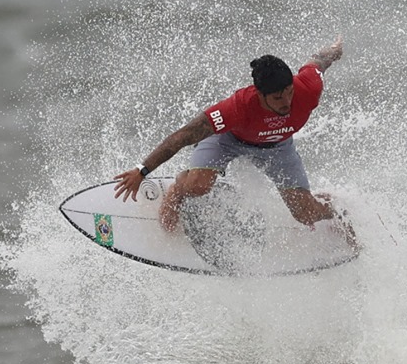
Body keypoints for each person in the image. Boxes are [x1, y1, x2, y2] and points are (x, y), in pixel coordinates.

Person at [111, 38, 346, 237]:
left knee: (305, 214)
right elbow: (184, 136)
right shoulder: (237, 108)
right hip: (228, 141)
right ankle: (178, 189)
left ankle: (335, 210)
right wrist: (142, 170)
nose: (286, 103)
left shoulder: (308, 87)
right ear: (260, 94)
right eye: (277, 98)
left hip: (278, 147)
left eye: (289, 93)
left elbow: (319, 62)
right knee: (198, 186)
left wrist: (336, 49)